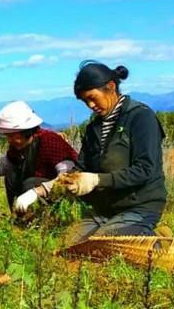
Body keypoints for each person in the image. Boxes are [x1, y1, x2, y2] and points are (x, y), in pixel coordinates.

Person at [61, 60, 166, 244]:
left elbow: (145, 169)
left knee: (106, 244)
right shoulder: (94, 127)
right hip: (104, 207)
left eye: (93, 97)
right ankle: (127, 231)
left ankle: (159, 241)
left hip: (139, 204)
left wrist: (97, 180)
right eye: (86, 101)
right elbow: (82, 164)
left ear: (111, 87)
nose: (91, 105)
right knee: (68, 244)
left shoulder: (141, 117)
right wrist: (69, 178)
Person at [0, 101, 78, 214]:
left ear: (27, 131)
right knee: (11, 174)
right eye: (7, 136)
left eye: (13, 136)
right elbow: (4, 164)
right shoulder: (19, 148)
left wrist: (37, 192)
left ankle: (42, 224)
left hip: (59, 200)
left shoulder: (51, 142)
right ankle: (20, 217)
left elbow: (69, 178)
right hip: (33, 196)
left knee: (30, 183)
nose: (10, 140)